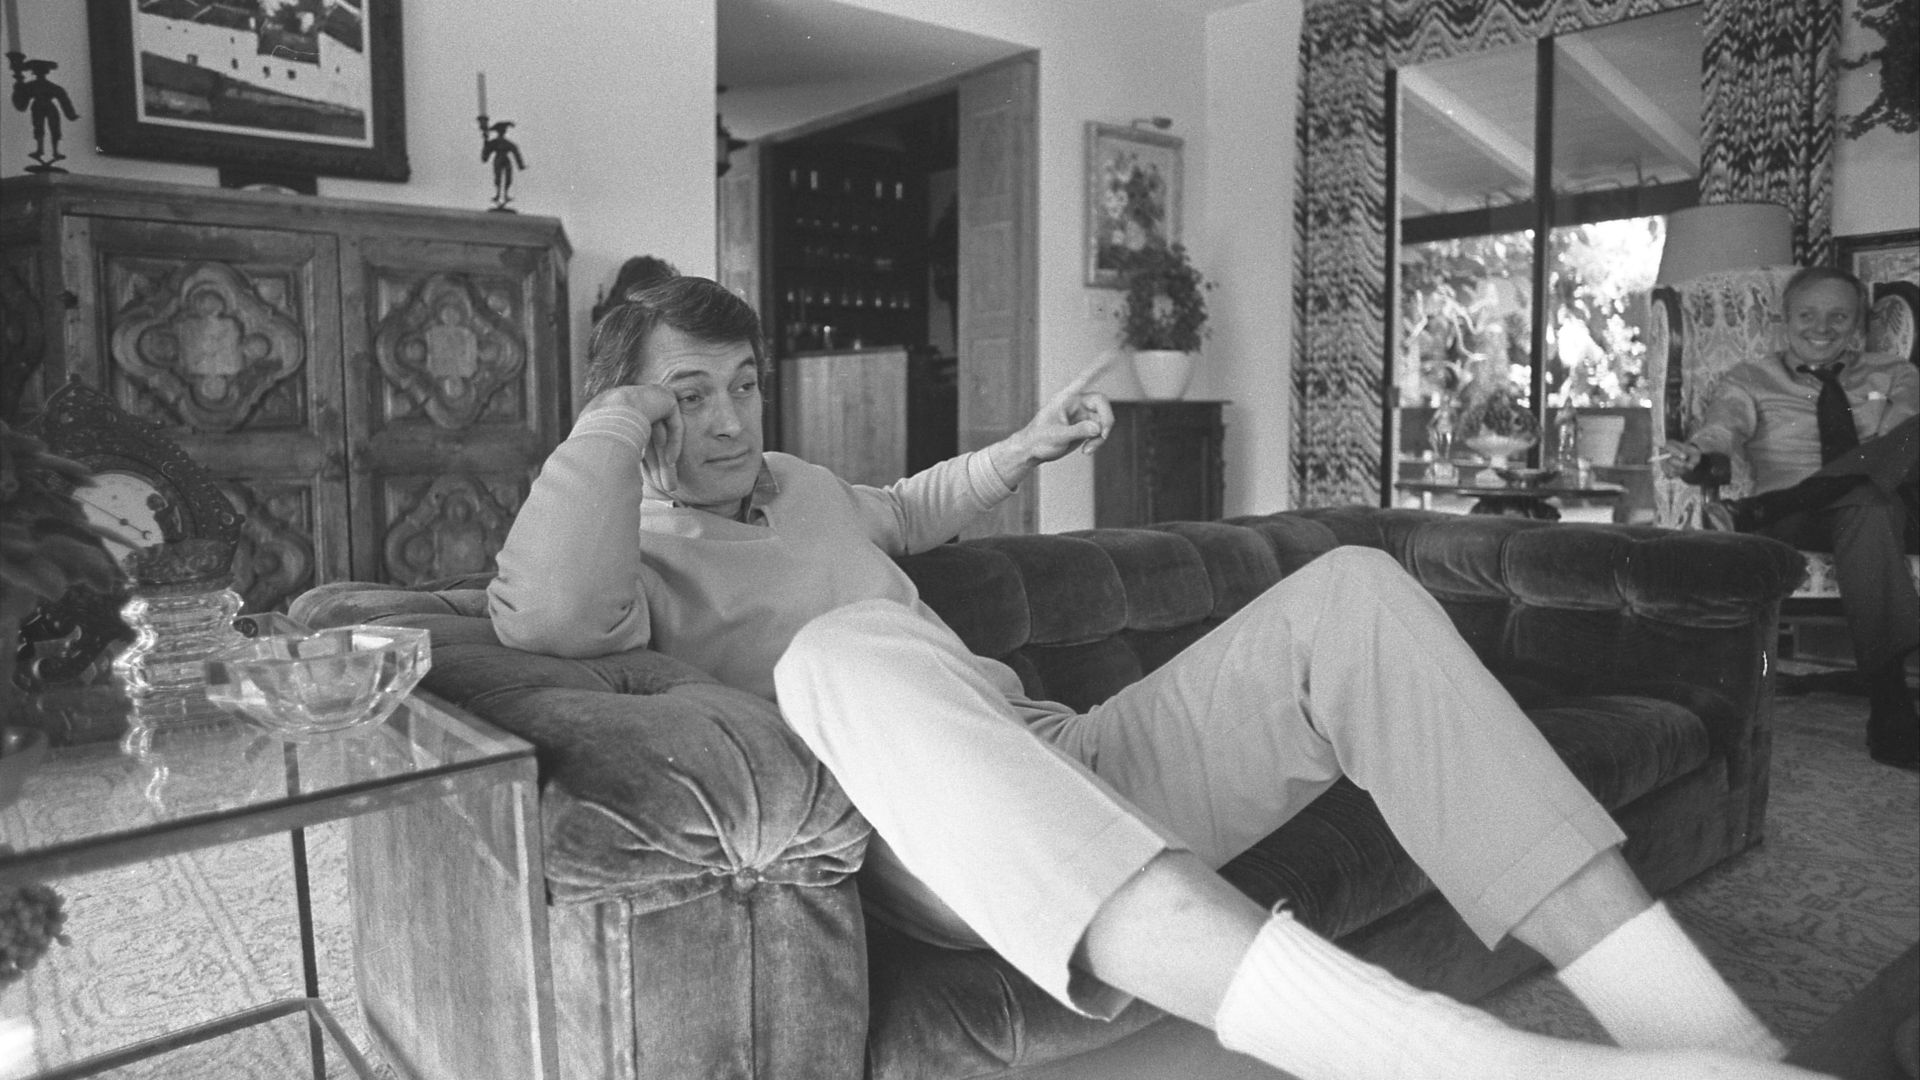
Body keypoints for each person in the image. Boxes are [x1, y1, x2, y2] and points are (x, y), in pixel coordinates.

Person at [490, 269, 1830, 1080]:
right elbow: (538, 608)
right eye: (691, 395)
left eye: (743, 385)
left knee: (1356, 596)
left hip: (1069, 758)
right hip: (930, 845)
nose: (729, 420)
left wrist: (1027, 446)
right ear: (635, 412)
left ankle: (1704, 1038)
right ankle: (1388, 1046)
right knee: (845, 648)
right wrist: (622, 405)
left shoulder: (802, 485)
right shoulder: (625, 563)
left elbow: (915, 504)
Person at [1662, 266, 1918, 770]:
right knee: (1872, 502)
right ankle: (1892, 705)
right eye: (1807, 315)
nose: (1822, 327)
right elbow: (1721, 431)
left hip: (1870, 509)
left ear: (1858, 325)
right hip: (1800, 524)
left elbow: (1900, 450)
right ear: (1784, 321)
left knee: (1881, 484)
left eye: (1838, 316)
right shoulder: (1751, 378)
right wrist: (1696, 455)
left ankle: (1760, 510)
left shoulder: (1894, 372)